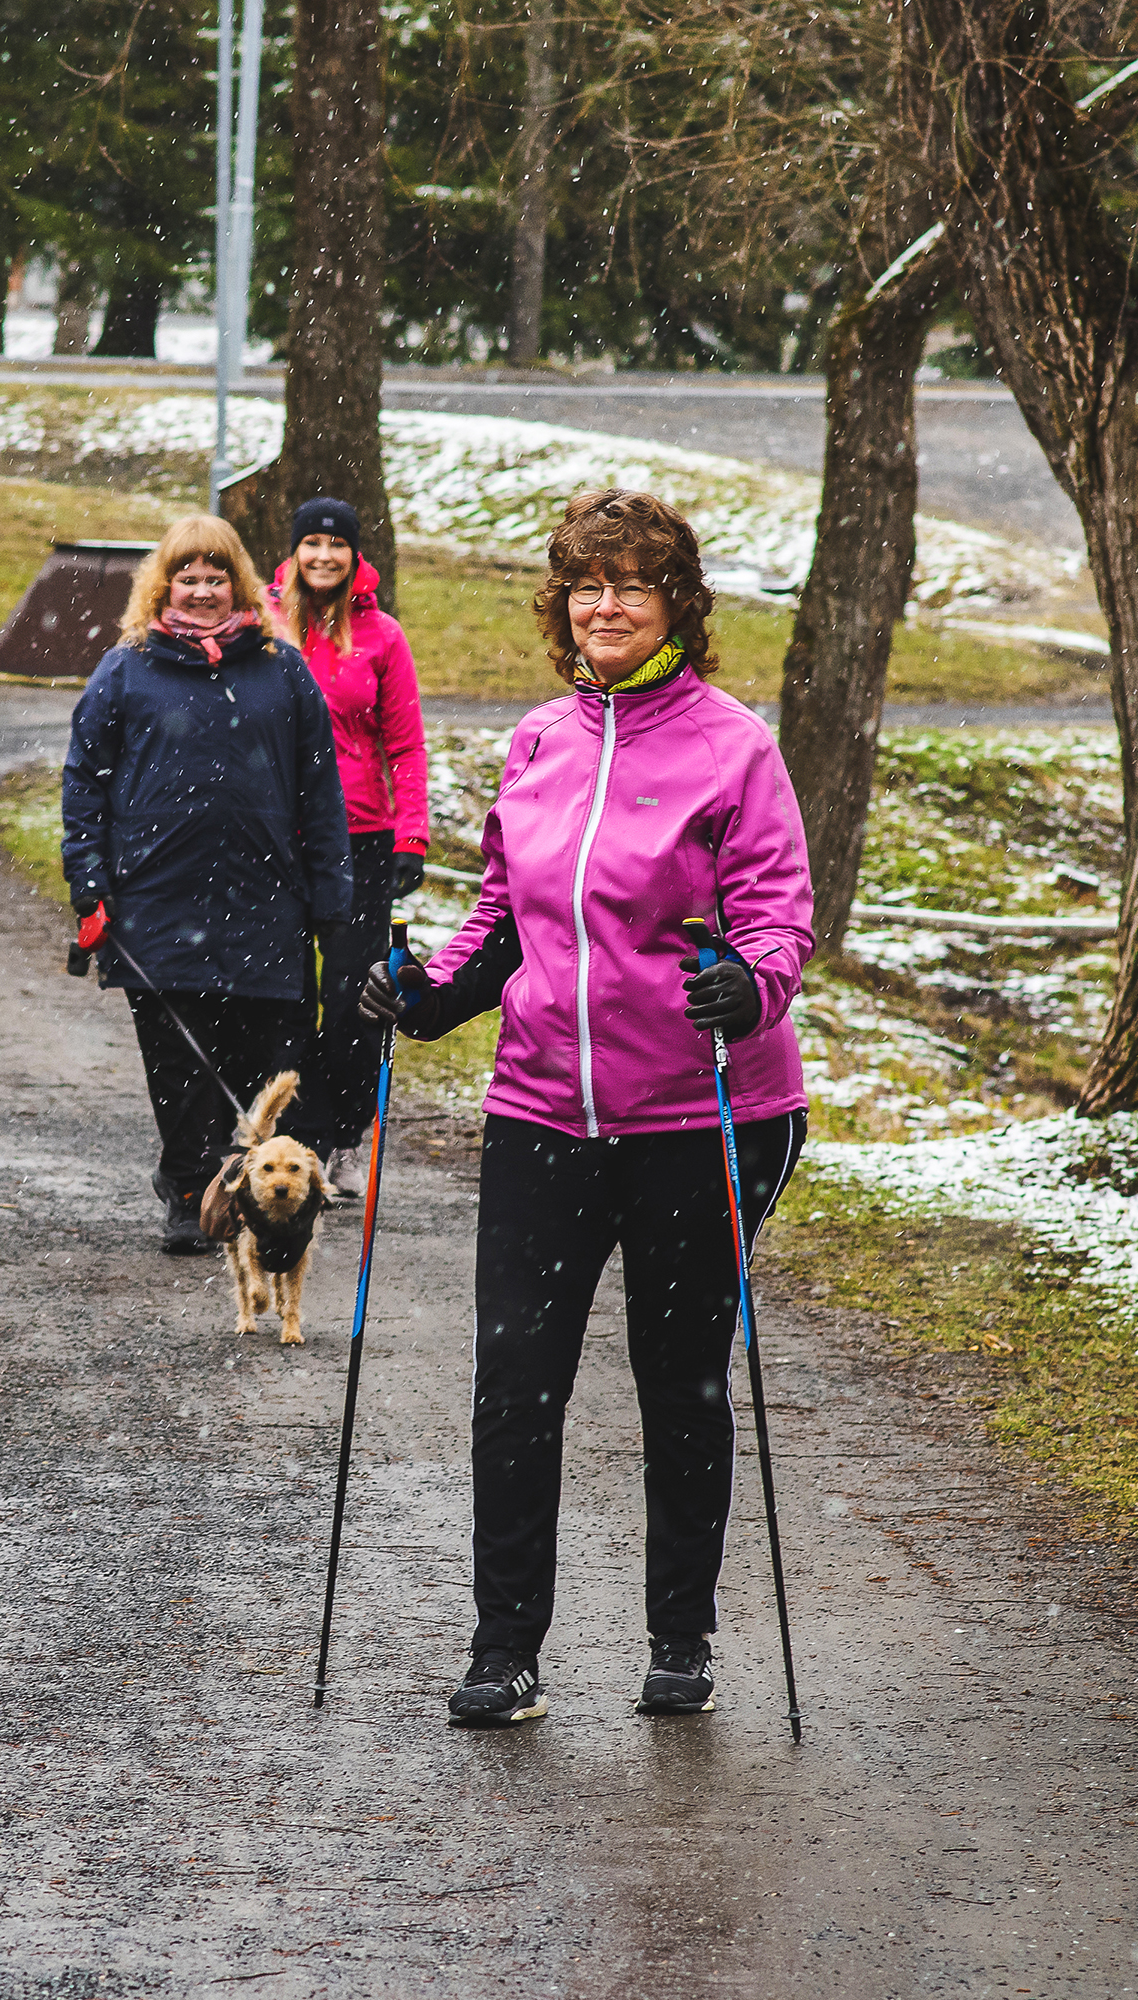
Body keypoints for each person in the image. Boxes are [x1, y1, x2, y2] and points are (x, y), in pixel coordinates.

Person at [359, 488, 813, 1729]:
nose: (602, 604)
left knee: (680, 1380)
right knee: (515, 1383)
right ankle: (505, 1648)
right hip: (545, 1111)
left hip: (700, 1114)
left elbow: (777, 915)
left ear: (677, 601)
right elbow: (504, 912)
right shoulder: (540, 740)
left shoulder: (734, 747)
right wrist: (428, 990)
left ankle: (682, 1633)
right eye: (582, 583)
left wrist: (749, 981)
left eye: (630, 582)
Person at [62, 514, 355, 1254]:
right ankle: (189, 1188)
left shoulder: (282, 669)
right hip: (157, 904)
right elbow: (84, 780)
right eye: (186, 578)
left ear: (240, 586)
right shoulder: (127, 667)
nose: (200, 591)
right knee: (179, 1064)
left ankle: (265, 1194)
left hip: (266, 905)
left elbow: (321, 790)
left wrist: (332, 896)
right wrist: (89, 879)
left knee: (272, 1058)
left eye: (214, 578)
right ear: (163, 586)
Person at [265, 497, 428, 1195]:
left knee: (355, 993)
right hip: (278, 839)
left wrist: (411, 834)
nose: (324, 556)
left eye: (337, 545)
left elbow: (407, 743)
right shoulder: (265, 624)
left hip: (361, 839)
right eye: (313, 544)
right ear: (295, 552)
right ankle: (300, 1133)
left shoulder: (381, 636)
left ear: (355, 556)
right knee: (286, 995)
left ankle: (344, 1132)